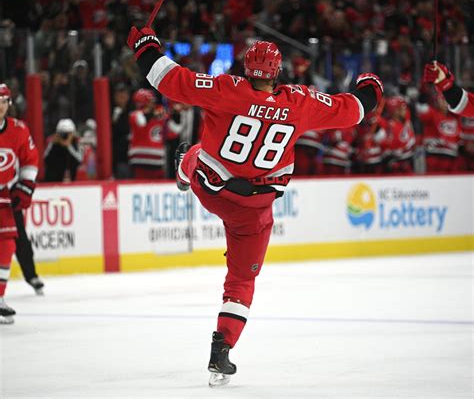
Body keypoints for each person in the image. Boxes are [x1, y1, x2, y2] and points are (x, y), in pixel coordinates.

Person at [127, 27, 384, 386]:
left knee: (200, 154)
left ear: (246, 68)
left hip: (212, 188)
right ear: (277, 72)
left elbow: (167, 78)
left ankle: (186, 167)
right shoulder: (300, 102)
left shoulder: (226, 89)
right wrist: (371, 84)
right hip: (254, 208)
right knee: (242, 279)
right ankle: (222, 349)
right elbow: (355, 109)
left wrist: (145, 44)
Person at [0, 83, 39, 323]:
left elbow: (29, 160)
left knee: (7, 244)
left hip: (4, 194)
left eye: (4, 101)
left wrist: (25, 185)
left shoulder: (18, 129)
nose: (0, 106)